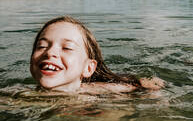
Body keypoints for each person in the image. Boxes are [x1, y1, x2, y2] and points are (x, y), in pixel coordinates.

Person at [30, 16, 164, 93]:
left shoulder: (101, 91)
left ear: (88, 68)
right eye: (41, 46)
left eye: (67, 48)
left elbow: (150, 87)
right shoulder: (16, 96)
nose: (50, 52)